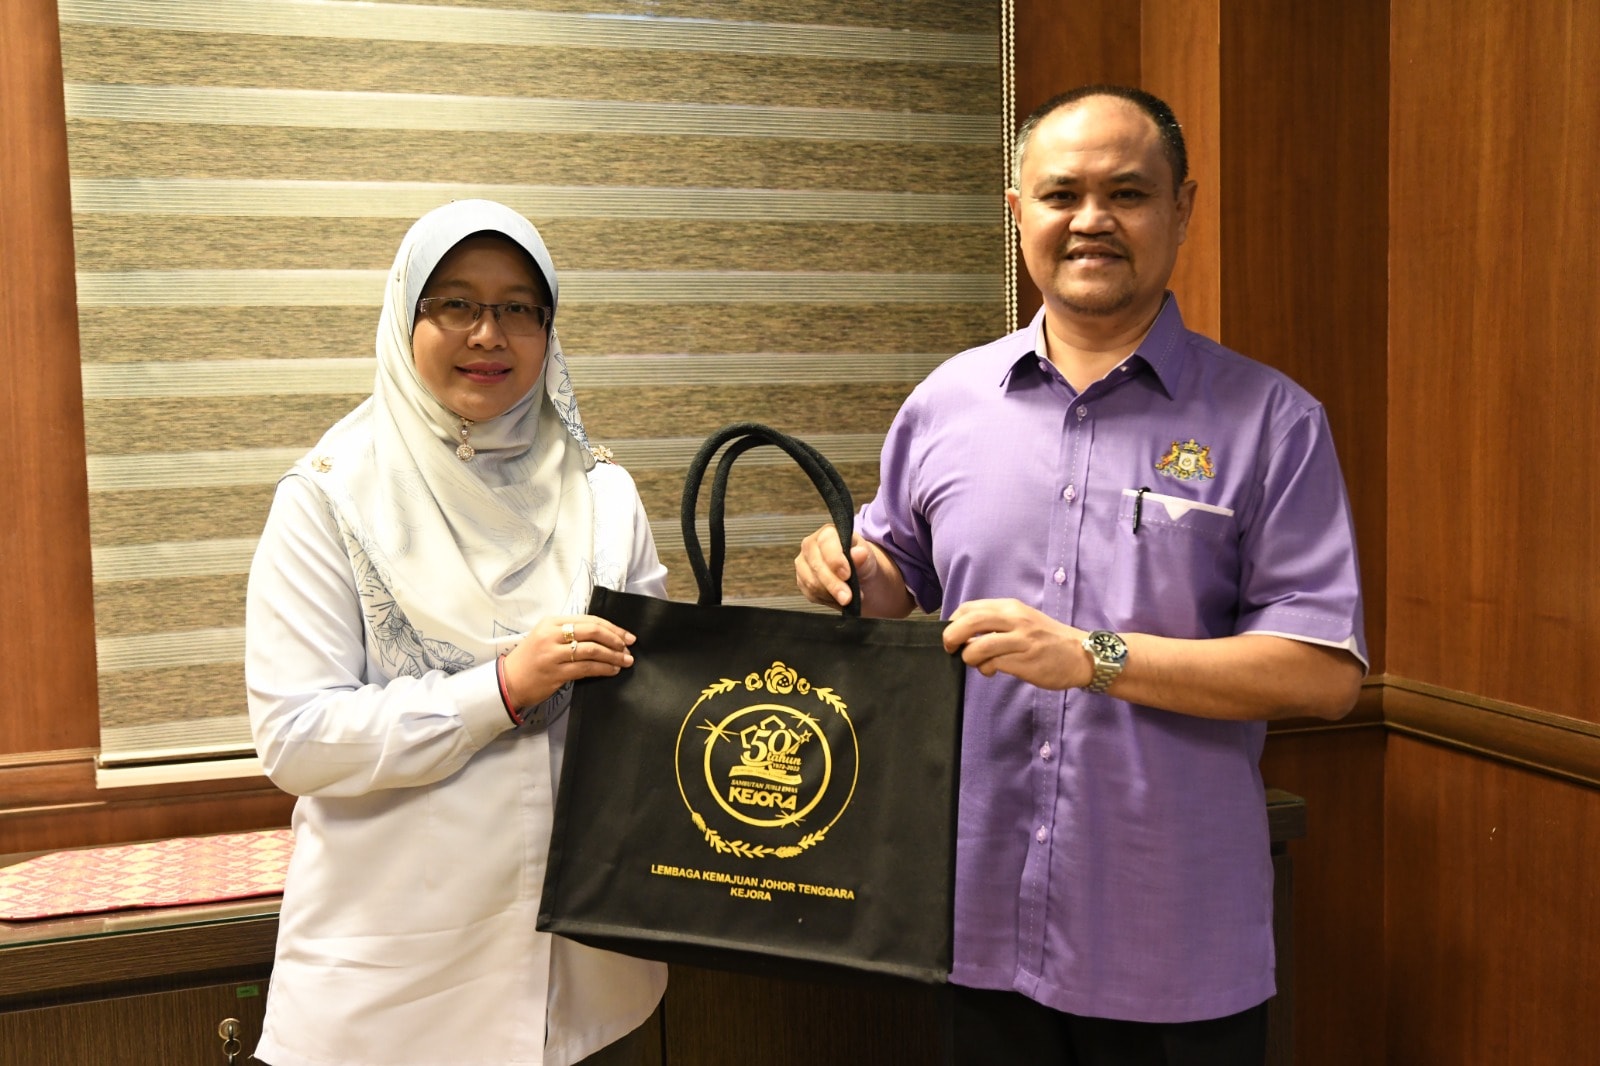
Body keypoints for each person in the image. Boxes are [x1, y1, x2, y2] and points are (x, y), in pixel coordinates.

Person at [795, 86, 1366, 1065]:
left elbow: (1323, 673)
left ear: (1181, 208)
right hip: (973, 925)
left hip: (1171, 942)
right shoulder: (947, 401)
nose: (1091, 219)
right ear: (1019, 213)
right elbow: (898, 578)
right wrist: (851, 568)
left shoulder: (1273, 421)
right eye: (1062, 194)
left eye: (1127, 194)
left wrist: (1092, 657)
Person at [245, 199, 667, 1066]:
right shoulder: (329, 500)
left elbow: (650, 702)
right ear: (406, 314)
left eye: (519, 308)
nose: (488, 334)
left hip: (588, 985)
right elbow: (296, 737)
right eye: (455, 303)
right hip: (394, 991)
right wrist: (502, 690)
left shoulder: (603, 493)